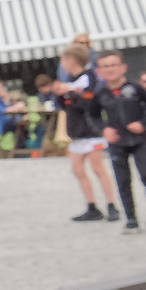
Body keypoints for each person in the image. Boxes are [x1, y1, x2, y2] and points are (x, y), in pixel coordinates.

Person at [86, 51, 146, 231]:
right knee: (123, 180)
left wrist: (143, 124)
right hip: (117, 142)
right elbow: (92, 115)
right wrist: (103, 129)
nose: (110, 69)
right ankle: (130, 218)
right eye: (105, 66)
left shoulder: (135, 89)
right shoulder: (100, 94)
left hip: (139, 140)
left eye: (114, 65)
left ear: (123, 68)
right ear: (99, 71)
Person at [56, 44, 118, 222]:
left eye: (63, 61)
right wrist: (61, 95)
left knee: (98, 168)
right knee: (77, 169)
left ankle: (111, 204)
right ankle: (91, 205)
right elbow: (65, 105)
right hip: (76, 131)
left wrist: (71, 94)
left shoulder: (89, 78)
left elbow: (88, 103)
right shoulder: (69, 80)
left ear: (71, 61)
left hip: (91, 130)